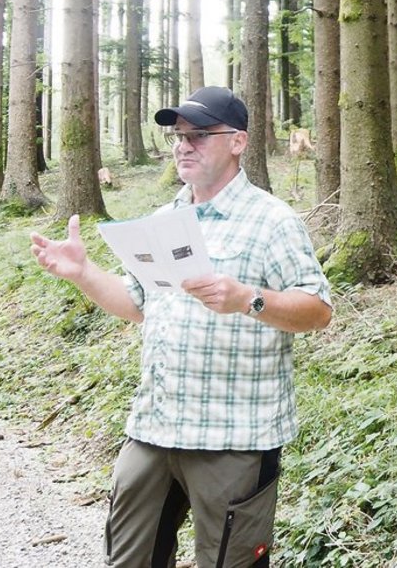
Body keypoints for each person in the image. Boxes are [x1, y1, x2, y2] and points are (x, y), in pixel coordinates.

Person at [31, 86, 332, 568]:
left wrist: (248, 299)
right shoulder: (164, 219)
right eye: (179, 136)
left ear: (238, 142)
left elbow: (317, 310)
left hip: (234, 437)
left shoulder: (271, 220)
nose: (184, 145)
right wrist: (82, 273)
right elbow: (137, 304)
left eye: (199, 135)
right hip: (154, 429)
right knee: (128, 559)